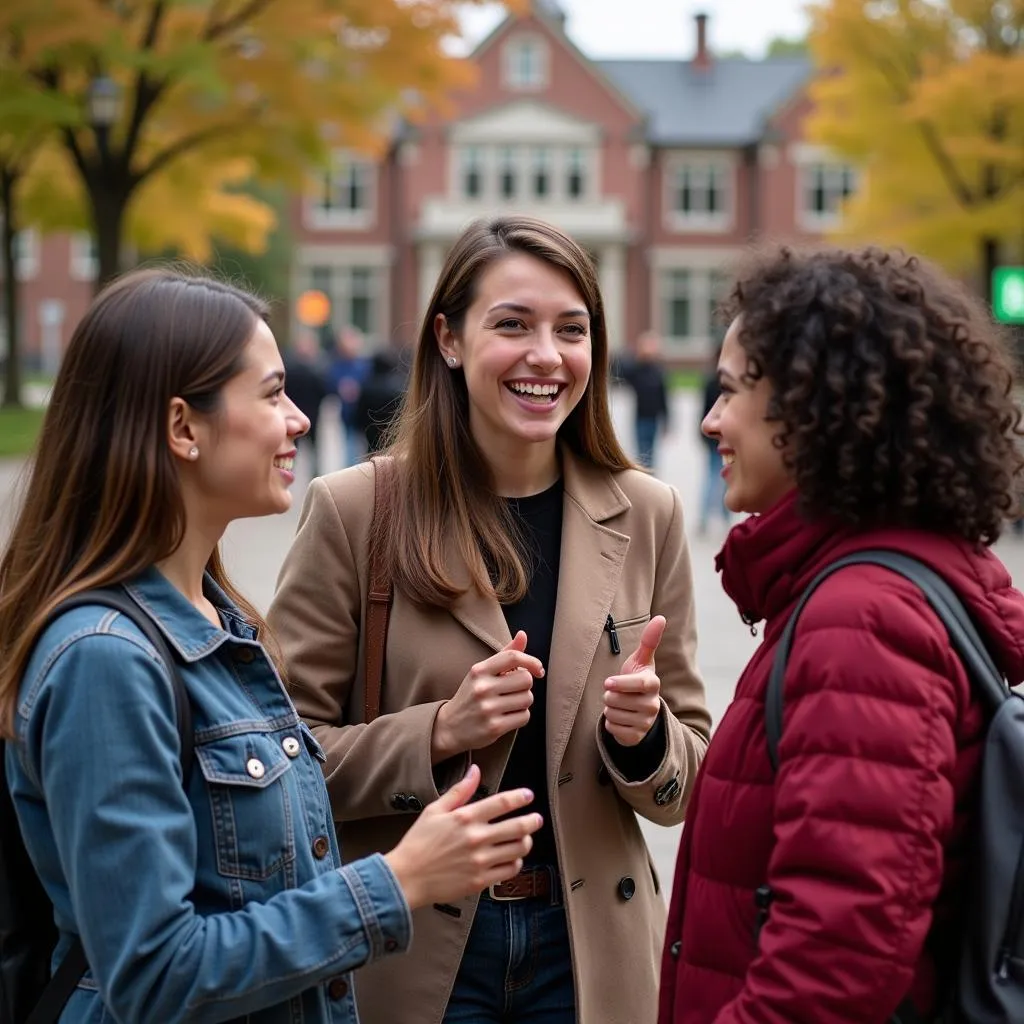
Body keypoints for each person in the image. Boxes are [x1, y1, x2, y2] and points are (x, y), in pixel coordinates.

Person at [0, 268, 543, 1024]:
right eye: (271, 394)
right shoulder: (106, 659)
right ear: (184, 428)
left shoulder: (223, 623)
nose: (299, 420)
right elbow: (156, 975)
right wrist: (398, 880)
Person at [268, 216, 711, 1024]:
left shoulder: (648, 512)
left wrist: (644, 738)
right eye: (512, 324)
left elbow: (689, 784)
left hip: (589, 958)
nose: (547, 355)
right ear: (449, 339)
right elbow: (278, 761)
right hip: (415, 948)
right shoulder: (355, 511)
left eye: (571, 330)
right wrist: (438, 729)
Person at [659, 246, 1024, 1023]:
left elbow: (837, 958)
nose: (710, 420)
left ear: (812, 407)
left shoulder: (859, 620)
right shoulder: (865, 588)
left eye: (729, 392)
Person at [620, 330, 670, 469]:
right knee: (642, 451)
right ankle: (644, 476)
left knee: (652, 452)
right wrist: (635, 354)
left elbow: (664, 397)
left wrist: (667, 421)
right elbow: (622, 371)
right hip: (640, 417)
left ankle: (651, 478)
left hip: (654, 417)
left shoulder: (658, 370)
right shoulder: (637, 368)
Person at [282, 328, 330, 476]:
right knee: (306, 449)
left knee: (305, 449)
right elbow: (325, 391)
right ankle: (308, 474)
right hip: (309, 415)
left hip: (308, 416)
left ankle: (290, 472)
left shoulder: (290, 367)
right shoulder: (317, 368)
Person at [328, 325, 371, 468]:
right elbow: (329, 383)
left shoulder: (364, 365)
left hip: (364, 413)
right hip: (347, 413)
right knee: (349, 446)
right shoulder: (337, 365)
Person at [697, 347, 728, 533]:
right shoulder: (716, 382)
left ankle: (705, 518)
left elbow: (703, 413)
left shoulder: (710, 381)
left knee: (712, 477)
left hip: (715, 440)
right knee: (723, 477)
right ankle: (723, 517)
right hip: (719, 438)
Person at [354, 348, 407, 454]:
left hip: (371, 435)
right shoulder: (399, 387)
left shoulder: (367, 387)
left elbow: (360, 413)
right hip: (392, 435)